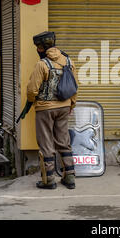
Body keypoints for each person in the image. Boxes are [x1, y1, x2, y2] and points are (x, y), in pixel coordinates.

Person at [26, 31, 78, 190]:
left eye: (38, 47)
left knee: (46, 142)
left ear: (41, 48)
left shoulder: (42, 64)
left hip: (45, 109)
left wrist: (31, 102)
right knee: (63, 140)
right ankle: (69, 176)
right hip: (64, 107)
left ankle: (49, 180)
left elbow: (32, 89)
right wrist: (71, 105)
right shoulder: (69, 61)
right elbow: (75, 87)